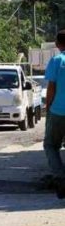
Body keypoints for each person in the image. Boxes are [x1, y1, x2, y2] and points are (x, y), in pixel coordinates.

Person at [43, 30, 65, 196]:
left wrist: (48, 105)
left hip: (58, 111)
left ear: (57, 44)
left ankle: (61, 178)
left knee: (50, 145)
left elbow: (51, 87)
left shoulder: (57, 60)